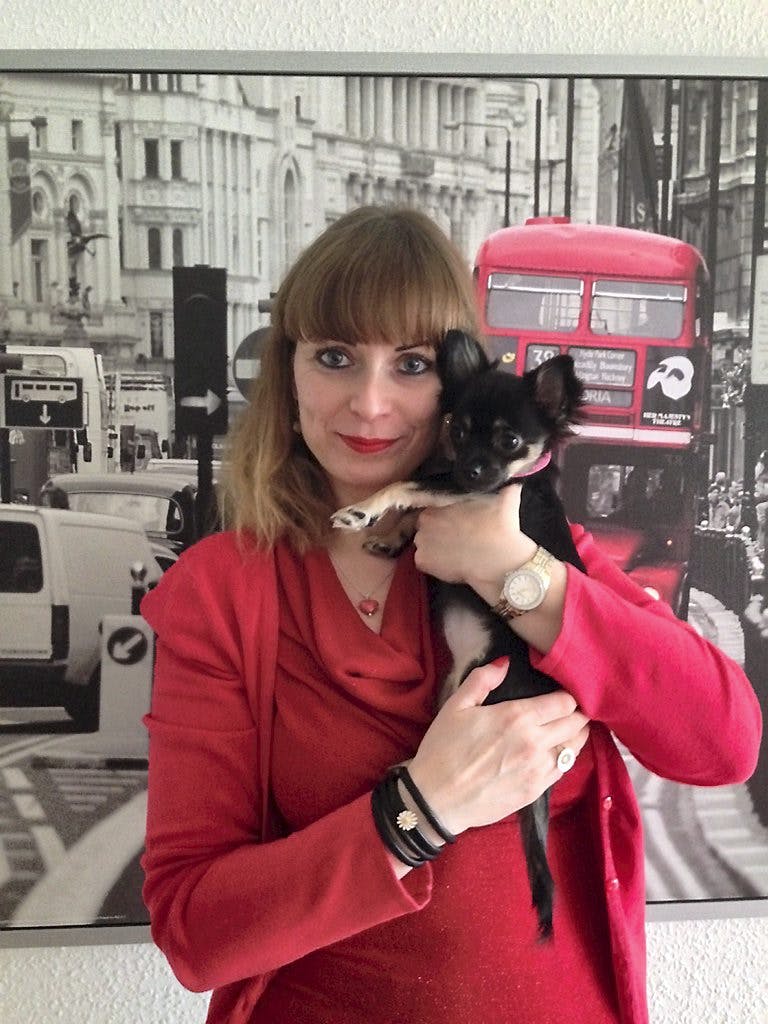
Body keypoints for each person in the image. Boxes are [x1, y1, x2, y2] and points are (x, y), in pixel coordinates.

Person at [141, 206, 762, 1024]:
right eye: (335, 357)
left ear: (457, 386)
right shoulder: (224, 592)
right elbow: (195, 932)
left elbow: (725, 741)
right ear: (288, 375)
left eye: (411, 364)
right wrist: (416, 814)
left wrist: (513, 571)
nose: (370, 403)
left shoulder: (540, 545)